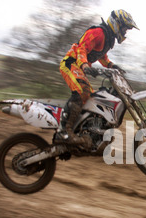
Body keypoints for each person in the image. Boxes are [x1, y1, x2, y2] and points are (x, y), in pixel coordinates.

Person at [58, 9, 139, 147]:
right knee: (81, 92)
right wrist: (84, 65)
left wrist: (112, 66)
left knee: (91, 97)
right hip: (70, 63)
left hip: (79, 66)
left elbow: (101, 56)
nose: (125, 32)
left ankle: (81, 129)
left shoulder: (108, 38)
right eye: (125, 28)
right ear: (117, 23)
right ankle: (64, 131)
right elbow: (82, 48)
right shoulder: (98, 32)